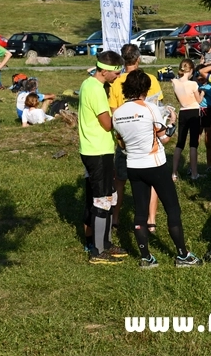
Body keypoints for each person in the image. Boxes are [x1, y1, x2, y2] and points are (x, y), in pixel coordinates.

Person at [112, 70, 203, 268]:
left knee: (140, 213)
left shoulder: (117, 114)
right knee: (172, 209)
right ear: (145, 89)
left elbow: (122, 144)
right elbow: (165, 138)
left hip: (133, 166)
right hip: (155, 165)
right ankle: (182, 255)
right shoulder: (150, 108)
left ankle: (146, 258)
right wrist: (172, 122)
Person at [79, 50, 128, 264]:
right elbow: (107, 124)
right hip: (97, 151)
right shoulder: (96, 90)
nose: (118, 76)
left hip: (97, 149)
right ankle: (97, 251)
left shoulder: (88, 84)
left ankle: (106, 243)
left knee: (107, 197)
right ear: (105, 71)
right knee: (101, 200)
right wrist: (124, 118)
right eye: (116, 73)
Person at [108, 44, 163, 233]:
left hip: (125, 141)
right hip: (148, 140)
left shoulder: (116, 82)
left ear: (123, 60)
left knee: (120, 181)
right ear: (138, 59)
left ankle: (115, 218)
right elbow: (157, 107)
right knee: (153, 181)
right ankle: (151, 219)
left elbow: (114, 113)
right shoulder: (151, 79)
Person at [171, 59, 204, 181]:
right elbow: (199, 100)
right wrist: (203, 93)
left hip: (183, 111)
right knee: (193, 144)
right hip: (194, 111)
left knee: (180, 142)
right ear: (190, 70)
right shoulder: (193, 84)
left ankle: (174, 173)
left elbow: (178, 99)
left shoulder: (174, 82)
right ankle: (194, 173)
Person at [196, 71, 211, 174]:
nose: (200, 80)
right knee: (196, 138)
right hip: (198, 111)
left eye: (202, 78)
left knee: (209, 139)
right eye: (198, 78)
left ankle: (209, 165)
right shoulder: (196, 86)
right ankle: (193, 165)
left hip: (208, 111)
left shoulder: (210, 86)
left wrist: (202, 92)